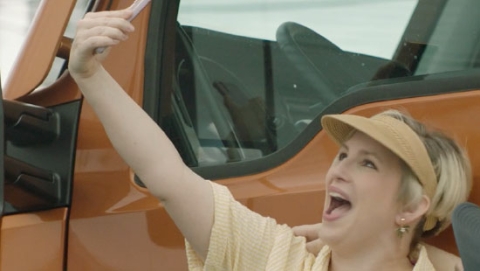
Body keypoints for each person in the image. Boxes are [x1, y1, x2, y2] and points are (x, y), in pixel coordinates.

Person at [68, 9, 472, 270]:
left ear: (412, 207)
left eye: (368, 163)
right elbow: (166, 176)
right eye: (343, 154)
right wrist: (90, 77)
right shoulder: (279, 258)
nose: (339, 170)